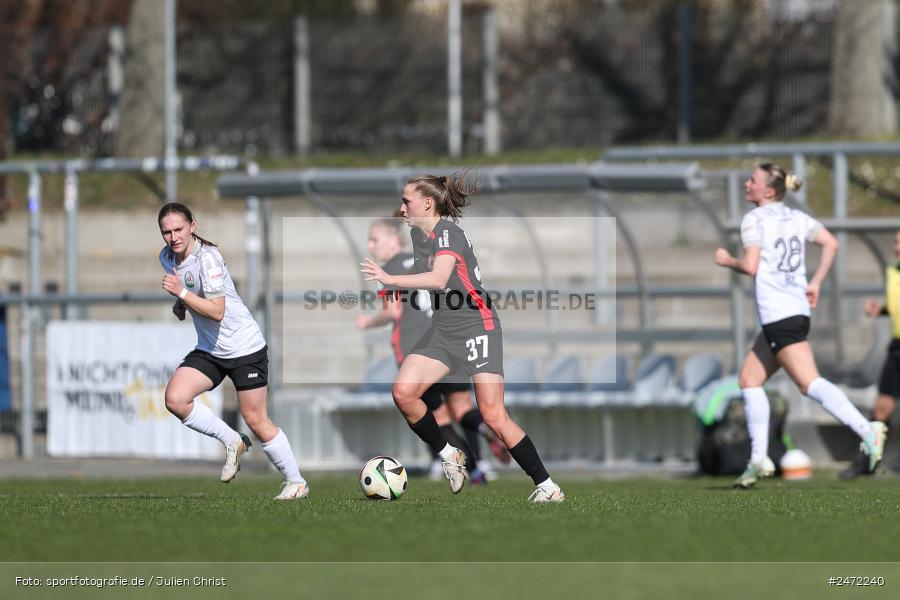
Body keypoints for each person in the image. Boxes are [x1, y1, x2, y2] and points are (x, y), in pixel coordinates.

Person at [360, 171, 564, 502]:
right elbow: (422, 271)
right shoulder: (420, 235)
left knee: (494, 415)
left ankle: (547, 486)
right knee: (403, 392)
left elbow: (440, 278)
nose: (401, 208)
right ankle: (449, 455)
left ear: (427, 204)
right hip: (443, 332)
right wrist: (396, 279)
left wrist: (388, 277)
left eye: (406, 201)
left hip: (477, 327)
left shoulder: (448, 234)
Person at [713, 163, 887, 488]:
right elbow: (831, 243)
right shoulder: (796, 217)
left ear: (768, 190)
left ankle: (868, 430)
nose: (747, 184)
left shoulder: (754, 219)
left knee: (809, 384)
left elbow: (750, 266)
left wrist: (726, 260)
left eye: (753, 180)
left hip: (780, 315)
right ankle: (758, 459)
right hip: (791, 314)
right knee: (749, 379)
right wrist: (816, 282)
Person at [158, 202, 309, 500]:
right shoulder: (167, 257)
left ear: (193, 225)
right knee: (175, 399)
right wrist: (181, 304)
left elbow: (216, 311)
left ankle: (297, 482)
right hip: (211, 349)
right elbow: (193, 292)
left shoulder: (209, 259)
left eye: (179, 229)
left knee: (256, 419)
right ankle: (231, 439)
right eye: (166, 232)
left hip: (244, 347)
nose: (173, 237)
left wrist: (181, 293)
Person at [356, 216, 511, 484]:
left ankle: (473, 470)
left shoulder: (391, 269)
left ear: (394, 239)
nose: (371, 246)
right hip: (449, 339)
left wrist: (368, 321)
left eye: (375, 239)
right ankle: (484, 429)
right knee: (462, 408)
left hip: (418, 350)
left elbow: (393, 312)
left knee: (439, 417)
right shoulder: (426, 258)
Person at [841, 230, 900, 479]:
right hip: (897, 347)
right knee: (882, 408)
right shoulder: (892, 271)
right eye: (896, 241)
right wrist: (882, 310)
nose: (897, 246)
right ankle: (867, 461)